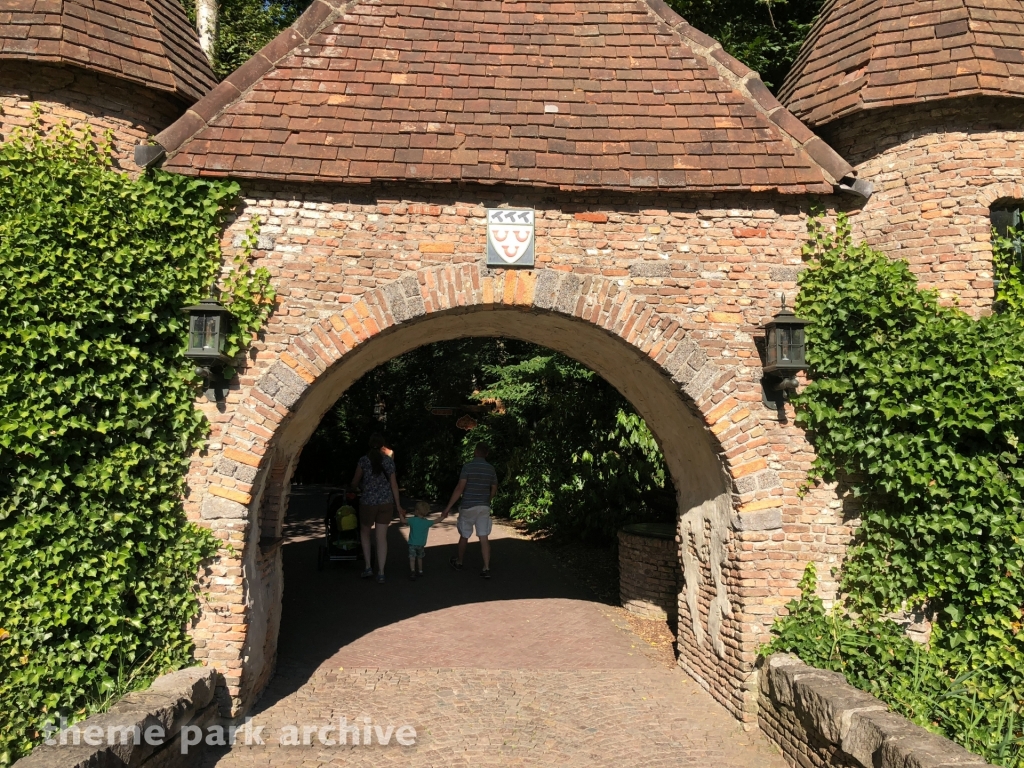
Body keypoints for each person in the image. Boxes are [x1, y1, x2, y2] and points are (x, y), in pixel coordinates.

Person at [349, 433, 405, 583]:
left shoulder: (363, 461)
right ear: (382, 445)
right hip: (385, 502)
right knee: (381, 538)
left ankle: (368, 566)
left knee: (365, 533)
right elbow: (394, 484)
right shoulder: (388, 462)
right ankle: (381, 572)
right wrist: (398, 505)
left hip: (368, 502)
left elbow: (354, 482)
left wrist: (354, 488)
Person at [440, 442, 498, 578]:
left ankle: (459, 562)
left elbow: (460, 488)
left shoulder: (468, 467)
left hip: (468, 506)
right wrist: (487, 501)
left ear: (475, 452)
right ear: (487, 454)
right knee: (484, 537)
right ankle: (486, 568)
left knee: (465, 535)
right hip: (484, 507)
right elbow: (494, 489)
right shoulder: (491, 469)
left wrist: (447, 508)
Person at [406, 501, 436, 581]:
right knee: (420, 557)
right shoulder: (427, 522)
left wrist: (401, 514)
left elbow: (403, 521)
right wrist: (443, 516)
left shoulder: (412, 520)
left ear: (417, 511)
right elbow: (436, 521)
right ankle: (420, 570)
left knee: (412, 557)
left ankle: (412, 571)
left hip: (412, 543)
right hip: (421, 544)